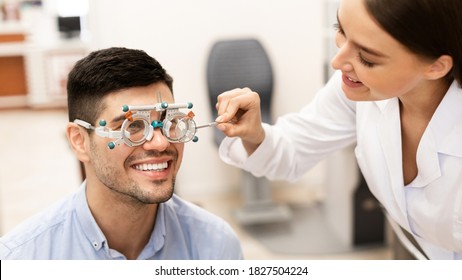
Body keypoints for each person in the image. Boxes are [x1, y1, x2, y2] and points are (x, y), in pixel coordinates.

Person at [214, 0, 462, 260]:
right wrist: (254, 134)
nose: (337, 61)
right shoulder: (362, 90)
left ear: (436, 66)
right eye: (341, 30)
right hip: (417, 248)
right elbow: (293, 149)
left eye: (367, 58)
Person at [0, 47, 243, 260]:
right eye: (133, 126)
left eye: (169, 121)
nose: (159, 142)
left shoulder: (215, 246)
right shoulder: (23, 259)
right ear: (79, 141)